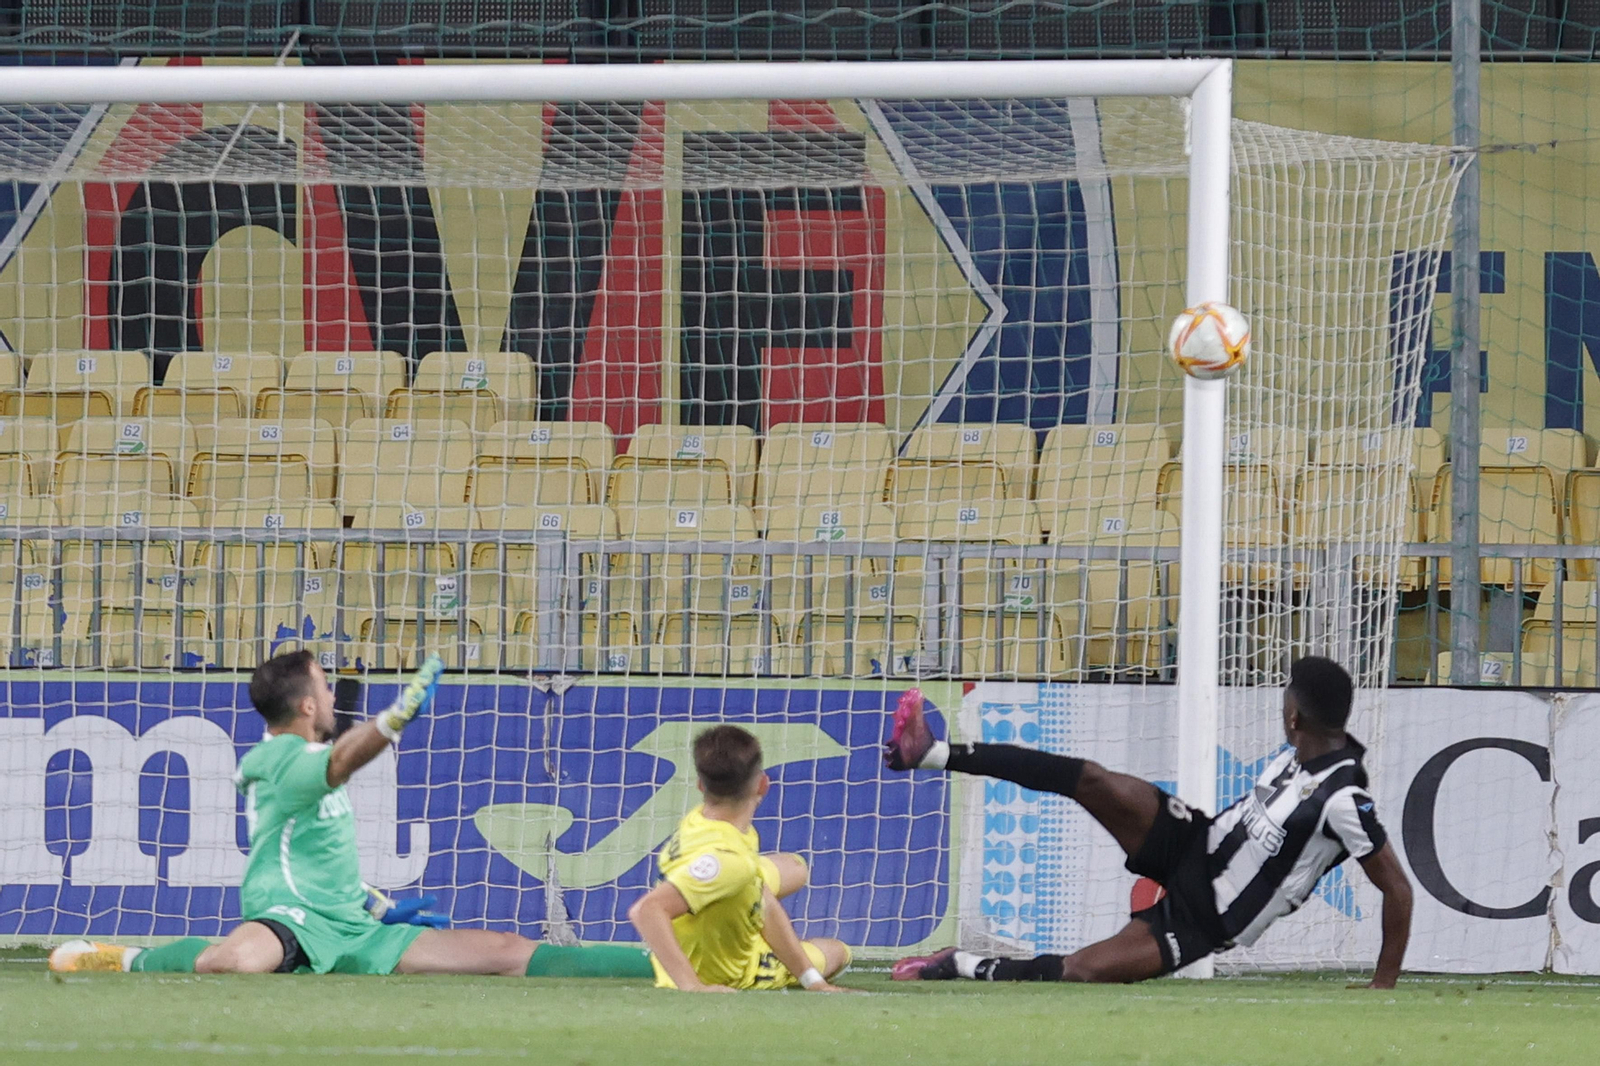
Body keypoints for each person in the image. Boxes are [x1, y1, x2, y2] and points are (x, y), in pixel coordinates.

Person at [51, 649, 653, 981]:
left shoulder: (303, 757)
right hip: (290, 916)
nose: (336, 698)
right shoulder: (279, 757)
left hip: (353, 929)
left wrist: (383, 907)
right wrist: (395, 718)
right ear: (308, 703)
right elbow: (343, 761)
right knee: (229, 962)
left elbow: (322, 857)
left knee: (508, 952)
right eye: (327, 689)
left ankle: (660, 966)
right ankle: (127, 958)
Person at [885, 656, 1413, 988]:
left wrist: (1383, 981)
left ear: (1295, 716)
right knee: (1094, 780)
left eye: (1287, 700)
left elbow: (1397, 889)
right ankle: (932, 752)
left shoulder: (1344, 798)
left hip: (1203, 919)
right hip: (1193, 842)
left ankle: (958, 963)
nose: (1282, 706)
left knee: (1084, 970)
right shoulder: (1299, 751)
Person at [627, 724, 852, 992]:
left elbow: (757, 891)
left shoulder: (702, 819)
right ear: (763, 784)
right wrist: (692, 986)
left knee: (795, 868)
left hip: (722, 895)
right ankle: (737, 931)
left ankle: (737, 914)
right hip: (726, 970)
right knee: (839, 952)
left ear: (701, 786)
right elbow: (646, 911)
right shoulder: (731, 863)